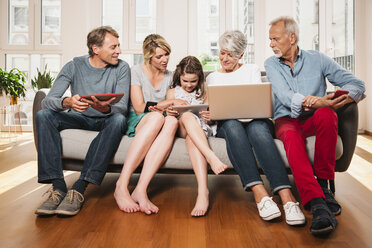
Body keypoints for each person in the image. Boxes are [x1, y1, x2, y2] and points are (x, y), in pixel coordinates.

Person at [264, 16, 365, 236]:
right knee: (290, 136)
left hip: (314, 117)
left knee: (328, 115)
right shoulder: (271, 64)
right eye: (269, 39)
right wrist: (313, 100)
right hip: (286, 119)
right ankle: (317, 202)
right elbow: (283, 94)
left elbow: (357, 84)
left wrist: (339, 99)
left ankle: (324, 185)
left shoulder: (317, 59)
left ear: (292, 38)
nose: (271, 44)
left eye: (275, 38)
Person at [206, 30, 305, 225]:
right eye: (222, 53)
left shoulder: (251, 69)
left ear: (241, 55)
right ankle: (260, 194)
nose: (224, 58)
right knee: (233, 126)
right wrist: (209, 115)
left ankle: (287, 197)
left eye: (230, 55)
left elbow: (259, 102)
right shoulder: (212, 78)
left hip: (255, 119)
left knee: (258, 130)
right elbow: (210, 110)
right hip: (228, 123)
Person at [35, 26, 130, 216]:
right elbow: (48, 101)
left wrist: (107, 108)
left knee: (119, 119)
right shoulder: (74, 65)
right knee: (43, 115)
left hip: (108, 119)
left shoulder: (122, 67)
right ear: (96, 49)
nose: (119, 51)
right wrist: (66, 102)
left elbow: (122, 107)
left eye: (118, 46)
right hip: (79, 117)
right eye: (113, 47)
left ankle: (79, 188)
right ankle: (58, 187)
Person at [114, 34, 184, 215]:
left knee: (170, 121)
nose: (165, 59)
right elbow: (138, 107)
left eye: (166, 54)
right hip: (139, 119)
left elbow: (169, 106)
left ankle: (140, 189)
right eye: (159, 56)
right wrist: (164, 105)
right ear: (148, 57)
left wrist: (171, 107)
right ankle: (121, 185)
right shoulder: (135, 71)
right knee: (157, 118)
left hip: (159, 118)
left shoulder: (171, 75)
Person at [165, 56, 228, 216]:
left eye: (193, 81)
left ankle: (202, 192)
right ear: (179, 76)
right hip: (182, 126)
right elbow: (169, 116)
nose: (188, 85)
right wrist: (170, 111)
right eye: (185, 81)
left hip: (200, 128)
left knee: (192, 140)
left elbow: (212, 115)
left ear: (199, 78)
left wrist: (211, 116)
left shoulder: (206, 92)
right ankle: (211, 157)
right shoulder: (172, 92)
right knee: (186, 116)